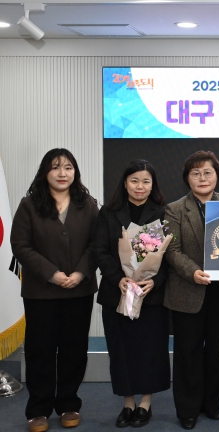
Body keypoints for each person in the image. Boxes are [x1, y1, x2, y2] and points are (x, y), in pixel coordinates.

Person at [10, 149, 99, 432]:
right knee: (40, 351)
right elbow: (20, 245)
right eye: (55, 167)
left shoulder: (88, 204)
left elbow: (97, 244)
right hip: (41, 292)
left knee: (74, 350)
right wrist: (52, 274)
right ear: (44, 172)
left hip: (79, 290)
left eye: (68, 167)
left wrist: (81, 272)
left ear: (75, 172)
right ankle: (38, 410)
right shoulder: (29, 204)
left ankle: (69, 404)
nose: (62, 173)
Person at [93, 159, 171, 428]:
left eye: (146, 181)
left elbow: (169, 256)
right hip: (117, 292)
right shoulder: (108, 212)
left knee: (150, 350)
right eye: (134, 180)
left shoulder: (163, 213)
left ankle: (146, 403)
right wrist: (119, 278)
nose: (140, 186)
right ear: (125, 183)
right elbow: (99, 250)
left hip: (151, 296)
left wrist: (155, 281)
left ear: (153, 185)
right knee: (121, 350)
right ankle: (128, 403)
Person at [164, 151, 219, 430]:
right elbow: (172, 250)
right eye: (195, 173)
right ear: (187, 178)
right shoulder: (174, 209)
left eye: (208, 172)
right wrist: (193, 271)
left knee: (217, 352)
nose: (202, 178)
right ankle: (188, 409)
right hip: (187, 290)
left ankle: (212, 404)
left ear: (217, 175)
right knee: (187, 352)